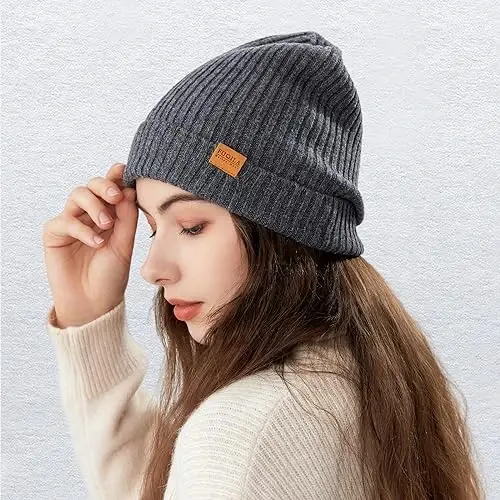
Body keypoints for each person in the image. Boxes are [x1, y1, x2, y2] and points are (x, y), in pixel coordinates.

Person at [42, 31, 484, 500]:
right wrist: (87, 316)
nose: (152, 269)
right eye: (152, 227)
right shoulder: (373, 381)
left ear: (281, 229)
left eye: (191, 226)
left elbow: (231, 466)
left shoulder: (242, 437)